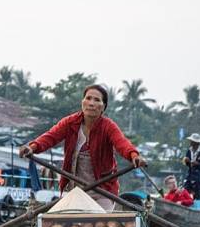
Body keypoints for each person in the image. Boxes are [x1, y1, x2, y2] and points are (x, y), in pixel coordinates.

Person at [18, 84, 147, 212]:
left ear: (103, 107)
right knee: (66, 226)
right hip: (75, 189)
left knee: (97, 225)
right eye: (88, 98)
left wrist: (134, 156)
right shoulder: (70, 122)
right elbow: (50, 137)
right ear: (82, 102)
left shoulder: (108, 126)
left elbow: (122, 143)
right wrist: (32, 148)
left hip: (102, 190)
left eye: (97, 100)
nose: (91, 103)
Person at [182, 133, 200, 201]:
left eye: (192, 142)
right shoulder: (189, 150)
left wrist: (198, 164)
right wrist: (187, 161)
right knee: (184, 192)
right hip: (190, 175)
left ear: (197, 143)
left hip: (199, 176)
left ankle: (198, 207)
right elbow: (187, 163)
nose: (191, 143)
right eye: (191, 141)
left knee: (198, 194)